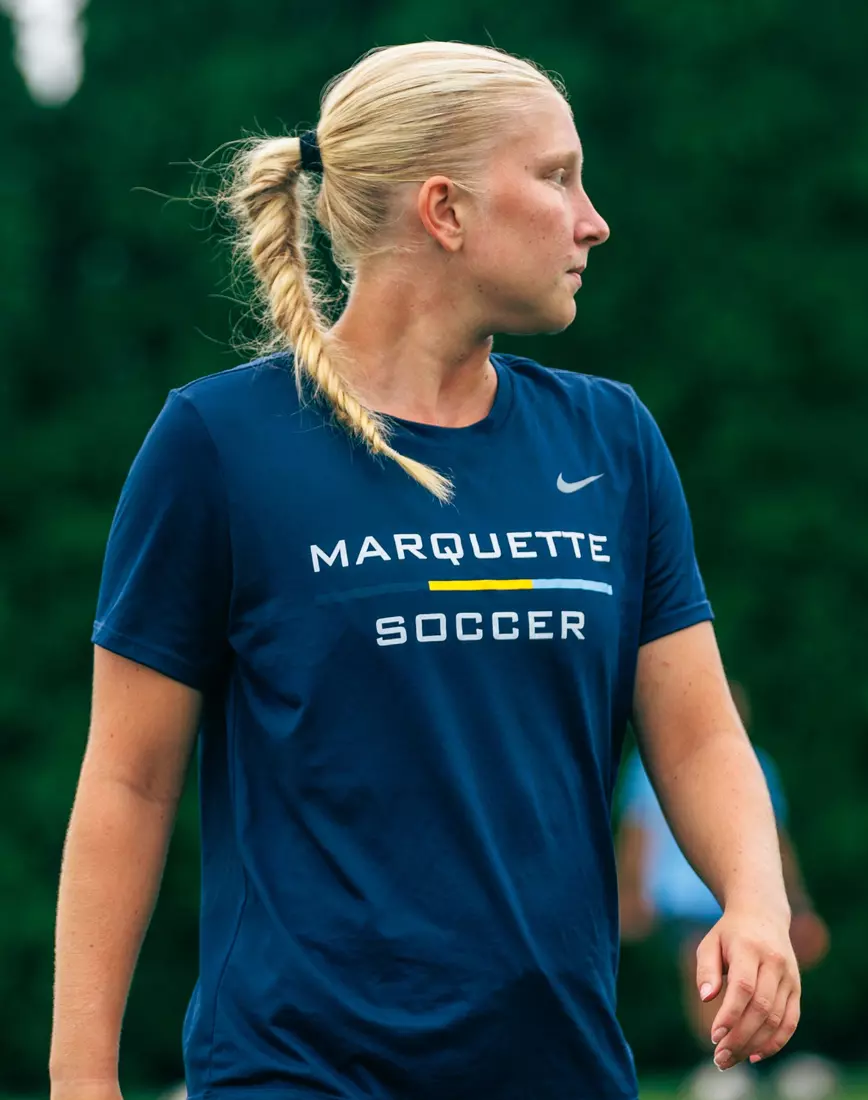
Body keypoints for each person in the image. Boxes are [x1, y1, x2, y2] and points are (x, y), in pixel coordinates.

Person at [50, 41, 802, 1100]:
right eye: (556, 177)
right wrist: (80, 1076)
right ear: (444, 211)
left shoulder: (612, 439)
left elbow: (699, 733)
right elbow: (128, 781)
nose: (593, 220)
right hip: (297, 1071)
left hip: (559, 1069)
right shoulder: (219, 444)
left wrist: (757, 901)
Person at [617, 683, 830, 1100]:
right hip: (681, 898)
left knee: (756, 975)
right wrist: (631, 890)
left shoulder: (758, 766)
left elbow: (776, 840)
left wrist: (798, 904)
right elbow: (638, 833)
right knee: (706, 974)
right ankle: (723, 1064)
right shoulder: (648, 768)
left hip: (743, 895)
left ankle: (756, 1063)